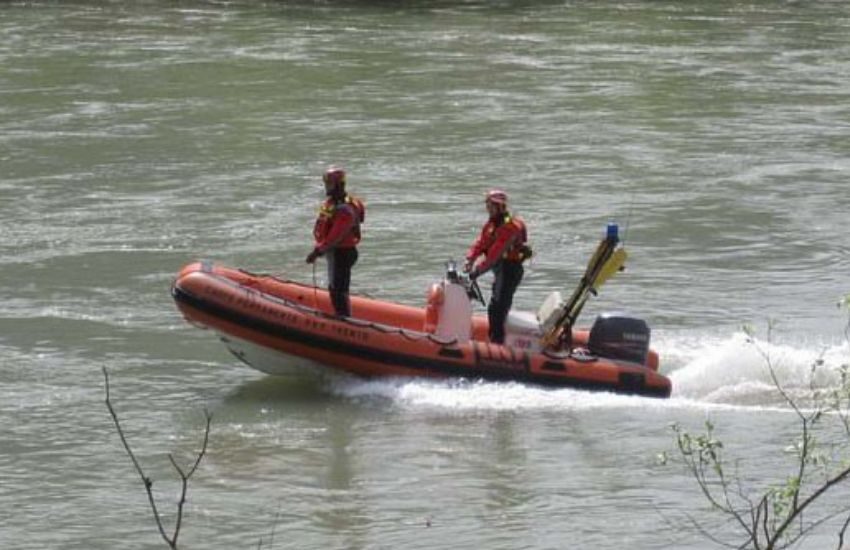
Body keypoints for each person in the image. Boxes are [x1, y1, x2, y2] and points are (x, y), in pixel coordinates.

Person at [463, 189, 531, 344]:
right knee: (495, 306)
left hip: (510, 270)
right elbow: (481, 243)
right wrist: (470, 259)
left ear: (500, 207)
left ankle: (497, 343)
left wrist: (476, 272)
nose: (488, 208)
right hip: (501, 270)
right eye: (488, 204)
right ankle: (496, 339)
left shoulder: (509, 227)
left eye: (492, 205)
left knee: (497, 308)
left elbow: (494, 255)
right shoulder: (492, 224)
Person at [306, 166, 365, 317]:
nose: (327, 187)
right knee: (336, 287)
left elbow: (335, 236)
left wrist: (318, 251)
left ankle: (343, 320)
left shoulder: (344, 209)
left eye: (330, 184)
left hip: (342, 253)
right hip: (337, 252)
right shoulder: (336, 204)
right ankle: (341, 315)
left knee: (338, 290)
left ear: (339, 185)